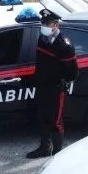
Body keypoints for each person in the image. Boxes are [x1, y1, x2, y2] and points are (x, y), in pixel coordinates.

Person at [26, 10, 78, 159]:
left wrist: (62, 82)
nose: (43, 26)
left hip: (56, 89)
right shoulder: (42, 39)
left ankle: (57, 156)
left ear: (56, 24)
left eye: (47, 23)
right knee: (42, 118)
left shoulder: (64, 45)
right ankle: (44, 148)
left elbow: (73, 71)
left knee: (56, 122)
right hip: (42, 86)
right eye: (43, 23)